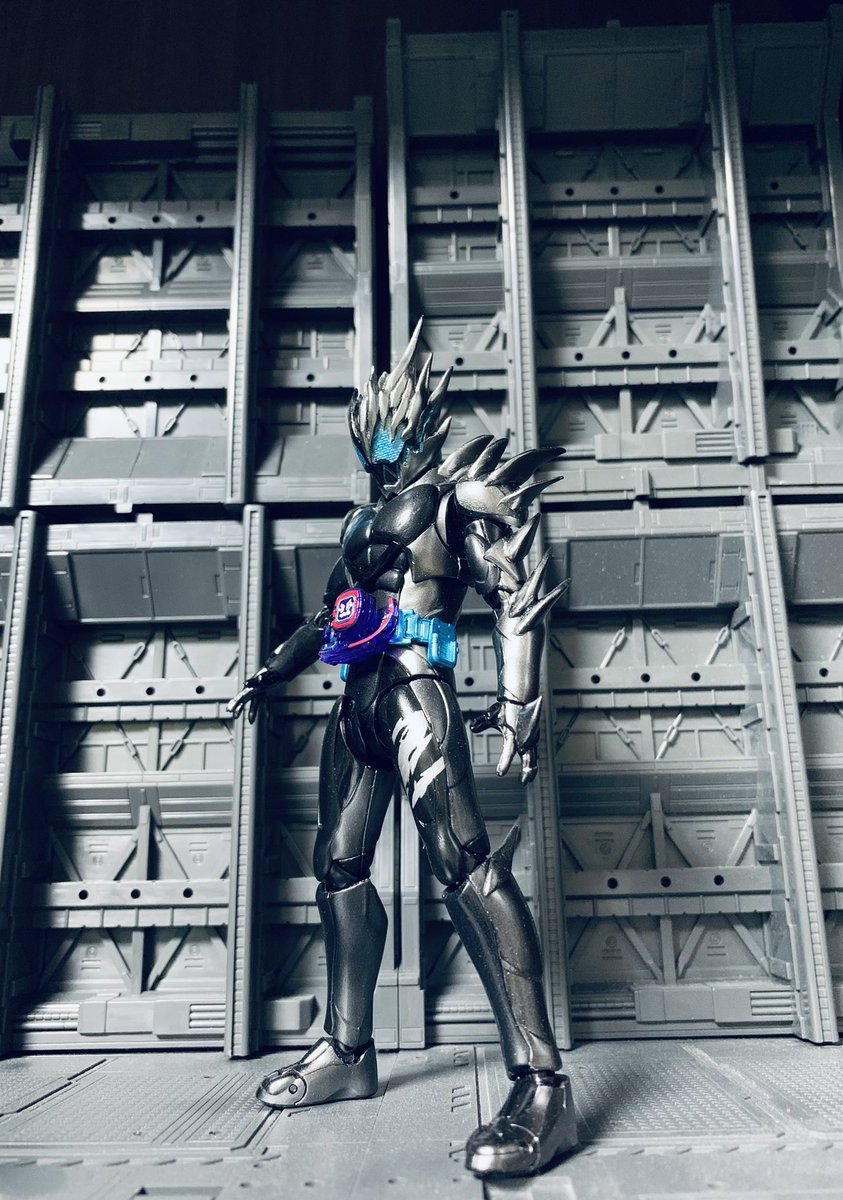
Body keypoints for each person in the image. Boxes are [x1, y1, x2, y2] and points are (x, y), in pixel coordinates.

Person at [228, 322, 577, 1178]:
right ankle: (349, 1052)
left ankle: (542, 1084)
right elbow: (328, 617)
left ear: (423, 427)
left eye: (397, 432)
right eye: (373, 436)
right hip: (356, 706)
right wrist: (274, 669)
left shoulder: (458, 502)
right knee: (339, 868)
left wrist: (517, 705)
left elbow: (514, 595)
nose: (384, 449)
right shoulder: (360, 523)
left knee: (466, 865)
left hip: (418, 695)